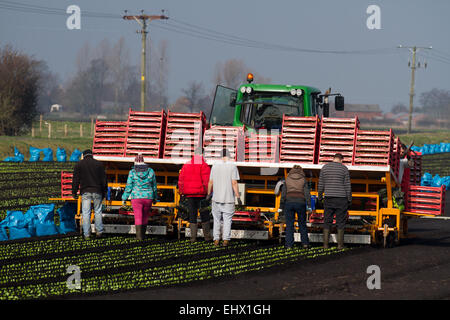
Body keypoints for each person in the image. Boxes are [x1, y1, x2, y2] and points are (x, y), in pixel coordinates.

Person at [317, 153, 352, 249]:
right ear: (341, 160)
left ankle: (325, 245)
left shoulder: (325, 168)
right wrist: (349, 199)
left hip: (328, 198)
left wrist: (320, 197)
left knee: (327, 221)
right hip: (341, 198)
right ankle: (340, 245)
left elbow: (321, 184)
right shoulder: (344, 169)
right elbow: (347, 186)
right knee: (340, 222)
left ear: (333, 159)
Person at [207, 148, 240, 247]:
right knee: (227, 220)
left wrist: (209, 193)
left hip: (216, 198)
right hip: (228, 198)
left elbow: (211, 182)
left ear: (220, 156)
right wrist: (238, 195)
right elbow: (234, 182)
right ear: (229, 156)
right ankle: (226, 240)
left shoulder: (215, 166)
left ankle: (216, 239)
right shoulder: (232, 166)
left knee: (216, 220)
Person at [178, 147, 212, 242]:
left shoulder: (186, 165)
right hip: (202, 195)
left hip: (190, 195)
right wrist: (208, 193)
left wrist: (182, 191)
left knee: (192, 215)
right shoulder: (204, 166)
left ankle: (193, 238)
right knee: (204, 215)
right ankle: (207, 237)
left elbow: (181, 181)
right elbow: (206, 182)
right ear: (202, 154)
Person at [72, 149, 107, 240]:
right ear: (92, 155)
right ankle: (99, 232)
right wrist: (104, 192)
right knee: (98, 211)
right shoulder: (99, 164)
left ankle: (87, 234)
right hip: (97, 191)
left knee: (86, 213)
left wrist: (74, 192)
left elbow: (76, 180)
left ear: (83, 155)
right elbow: (104, 180)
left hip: (85, 191)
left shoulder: (79, 164)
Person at [121, 154, 158, 240]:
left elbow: (129, 186)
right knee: (145, 216)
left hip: (136, 197)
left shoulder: (132, 172)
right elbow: (154, 187)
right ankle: (143, 235)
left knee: (138, 216)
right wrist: (155, 198)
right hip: (148, 197)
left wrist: (124, 197)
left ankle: (138, 237)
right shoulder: (151, 171)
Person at [276, 165, 311, 249]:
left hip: (289, 203)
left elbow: (283, 193)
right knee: (302, 223)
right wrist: (309, 205)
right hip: (300, 203)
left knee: (289, 224)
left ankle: (289, 245)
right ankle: (305, 243)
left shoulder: (287, 180)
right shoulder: (303, 180)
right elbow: (307, 193)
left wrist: (281, 206)